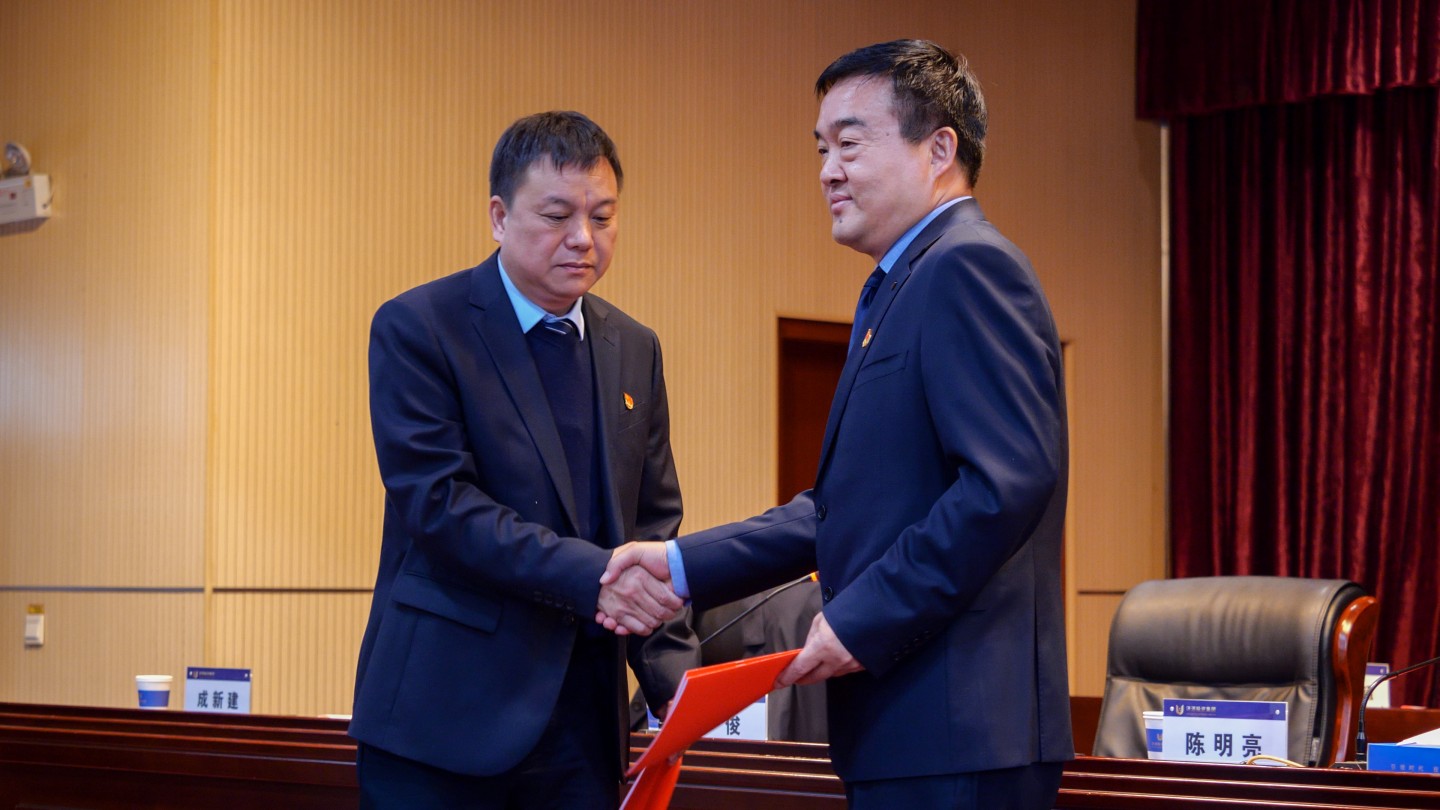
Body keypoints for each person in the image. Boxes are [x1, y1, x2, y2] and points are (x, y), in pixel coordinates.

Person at [602, 40, 1073, 808]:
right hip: (910, 727)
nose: (827, 171)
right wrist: (679, 566)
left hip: (961, 729)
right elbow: (841, 511)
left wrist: (861, 618)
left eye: (849, 145)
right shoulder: (895, 288)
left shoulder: (969, 267)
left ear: (939, 150)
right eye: (822, 149)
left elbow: (1005, 484)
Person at [350, 111, 697, 809]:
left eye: (603, 217)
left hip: (585, 730)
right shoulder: (421, 327)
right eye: (558, 215)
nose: (583, 238)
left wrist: (675, 681)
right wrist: (594, 578)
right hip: (446, 719)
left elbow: (651, 526)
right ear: (499, 217)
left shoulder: (634, 346)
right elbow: (442, 507)